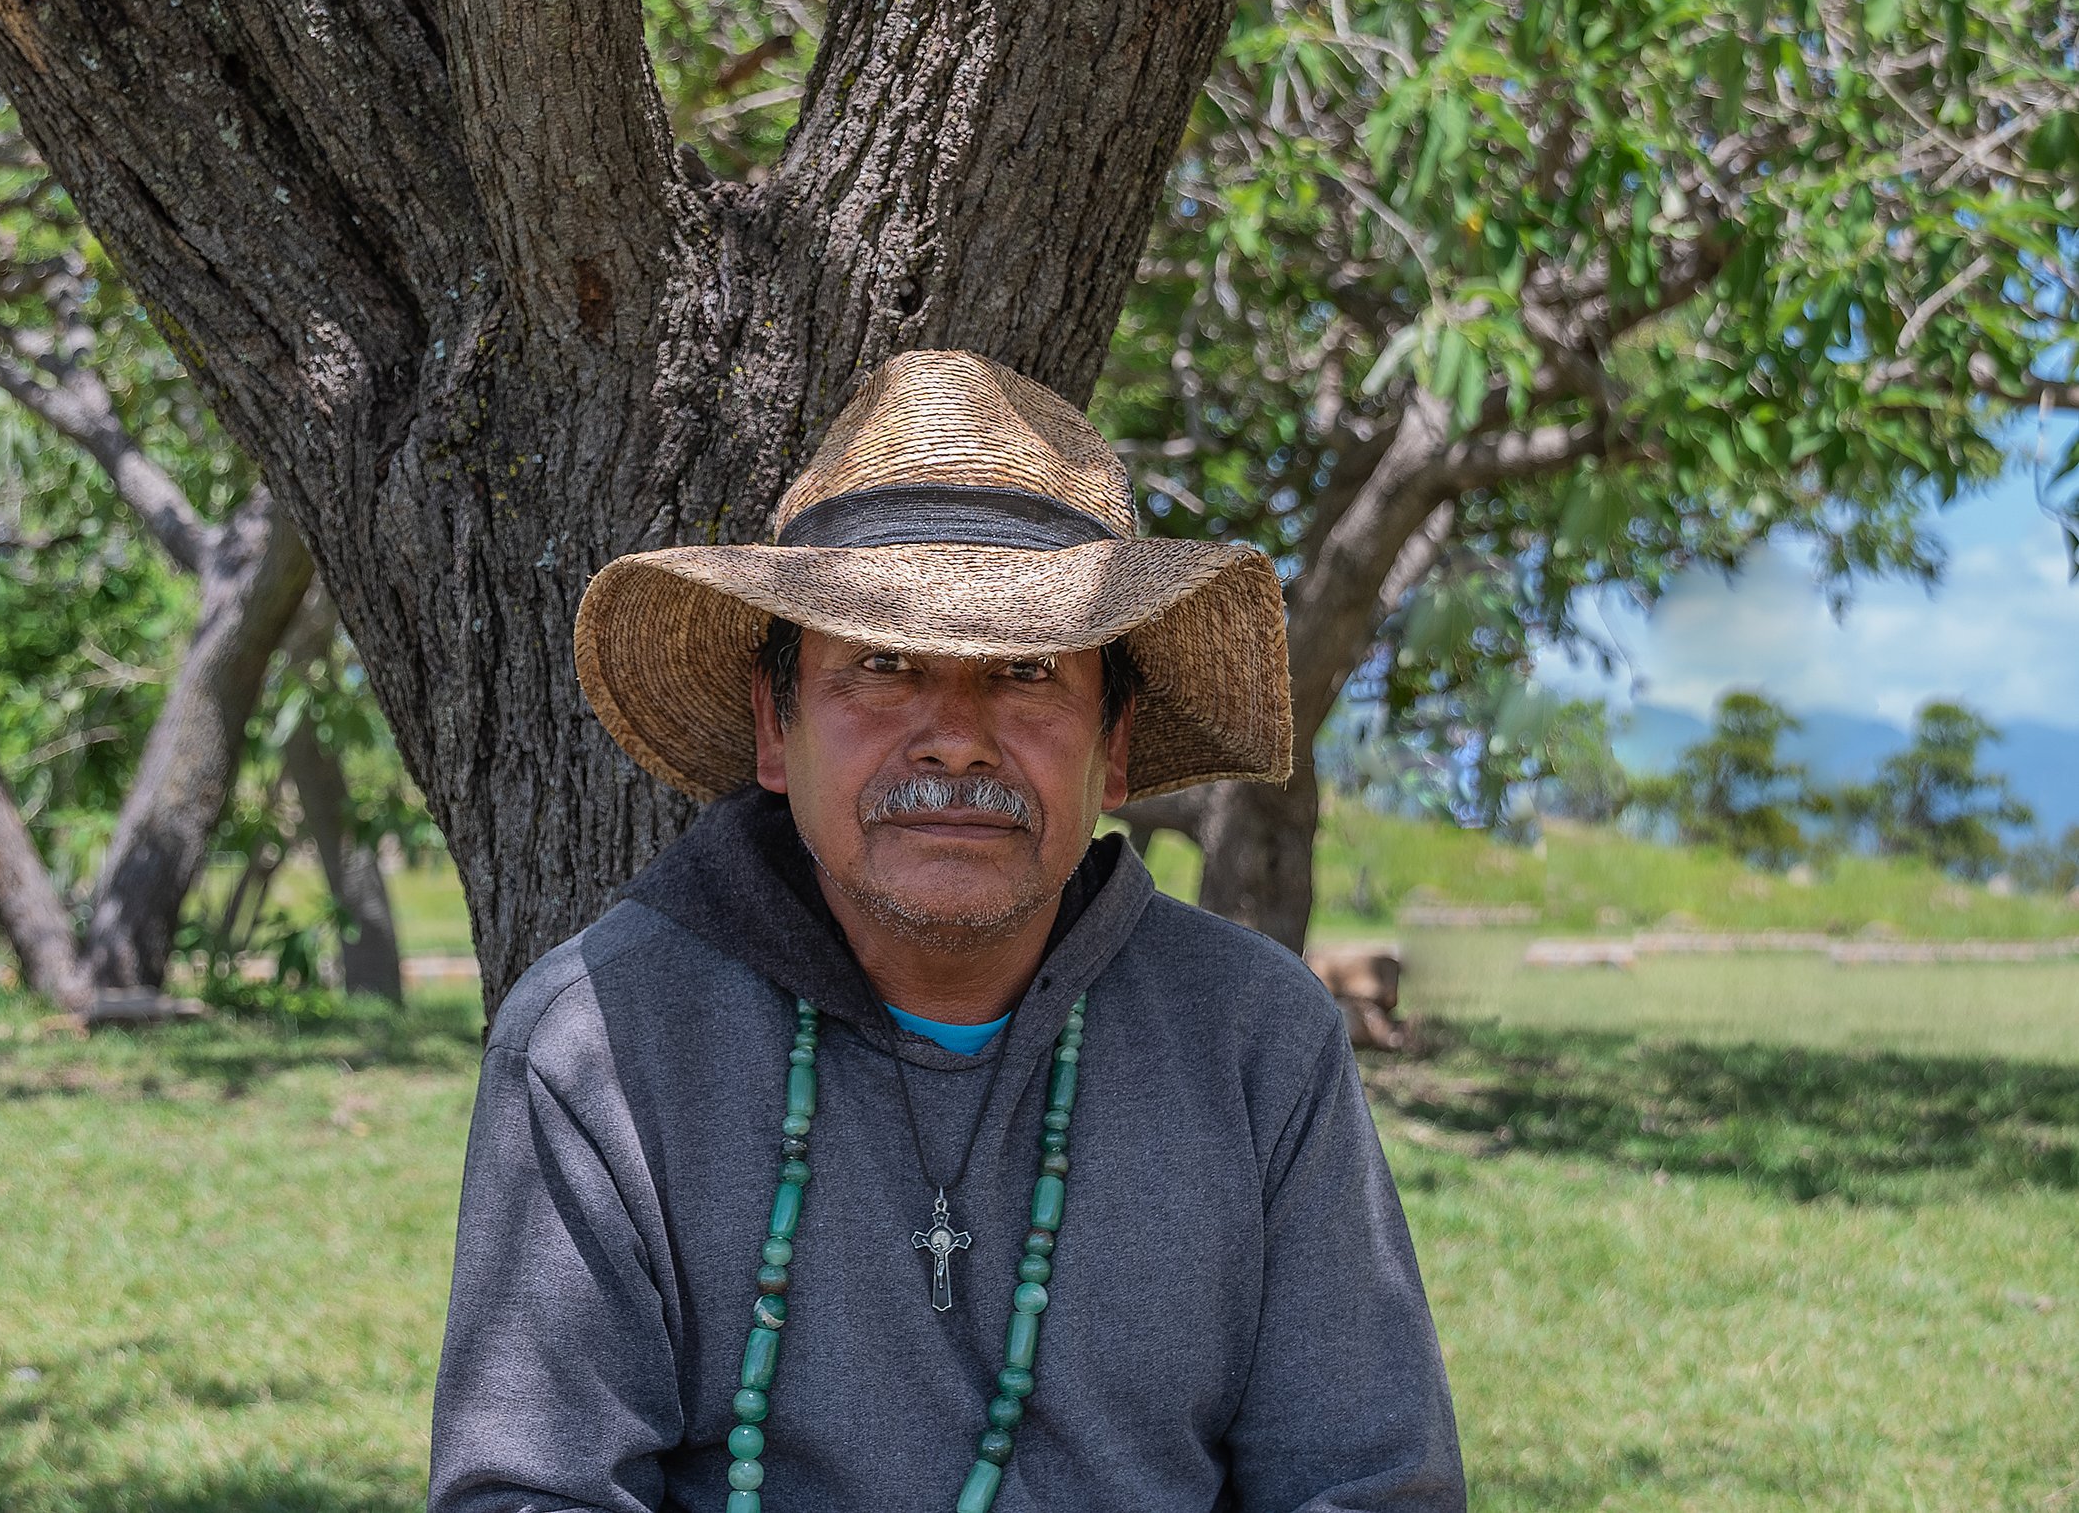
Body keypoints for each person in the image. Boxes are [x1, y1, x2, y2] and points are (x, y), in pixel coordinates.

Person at [428, 350, 1464, 1512]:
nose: (954, 739)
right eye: (880, 664)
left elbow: (1368, 1483)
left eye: (1025, 670)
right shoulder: (596, 1045)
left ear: (1113, 745)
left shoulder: (1256, 1037)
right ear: (776, 730)